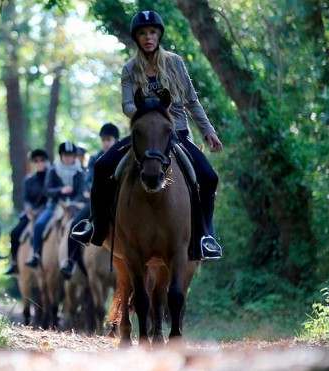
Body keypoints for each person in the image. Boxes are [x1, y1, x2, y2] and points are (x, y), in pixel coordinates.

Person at [71, 10, 224, 260]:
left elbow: (192, 101)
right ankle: (96, 227)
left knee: (209, 177)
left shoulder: (175, 63)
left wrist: (208, 131)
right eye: (143, 33)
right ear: (137, 38)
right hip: (142, 136)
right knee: (101, 166)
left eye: (152, 32)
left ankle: (205, 236)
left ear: (159, 35)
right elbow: (126, 105)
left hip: (177, 134)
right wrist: (147, 111)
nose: (148, 37)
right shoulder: (129, 69)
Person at [60, 123, 120, 279]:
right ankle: (71, 261)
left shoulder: (122, 156)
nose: (106, 142)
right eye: (103, 139)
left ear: (116, 140)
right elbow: (88, 179)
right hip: (97, 202)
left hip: (120, 200)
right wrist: (89, 188)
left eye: (109, 139)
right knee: (75, 224)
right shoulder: (95, 158)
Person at [25, 141, 85, 268]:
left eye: (70, 154)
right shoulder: (53, 170)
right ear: (61, 156)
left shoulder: (80, 172)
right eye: (65, 155)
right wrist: (60, 191)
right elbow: (47, 190)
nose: (68, 157)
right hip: (55, 205)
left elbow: (81, 191)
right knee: (40, 224)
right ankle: (35, 254)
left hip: (75, 207)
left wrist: (73, 202)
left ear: (74, 156)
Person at [4, 149, 50, 275]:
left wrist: (41, 209)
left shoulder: (51, 177)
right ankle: (14, 262)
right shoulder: (29, 180)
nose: (39, 163)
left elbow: (52, 196)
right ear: (33, 163)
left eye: (42, 160)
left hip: (48, 211)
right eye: (36, 161)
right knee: (15, 233)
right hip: (31, 213)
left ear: (46, 162)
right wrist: (30, 210)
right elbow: (26, 199)